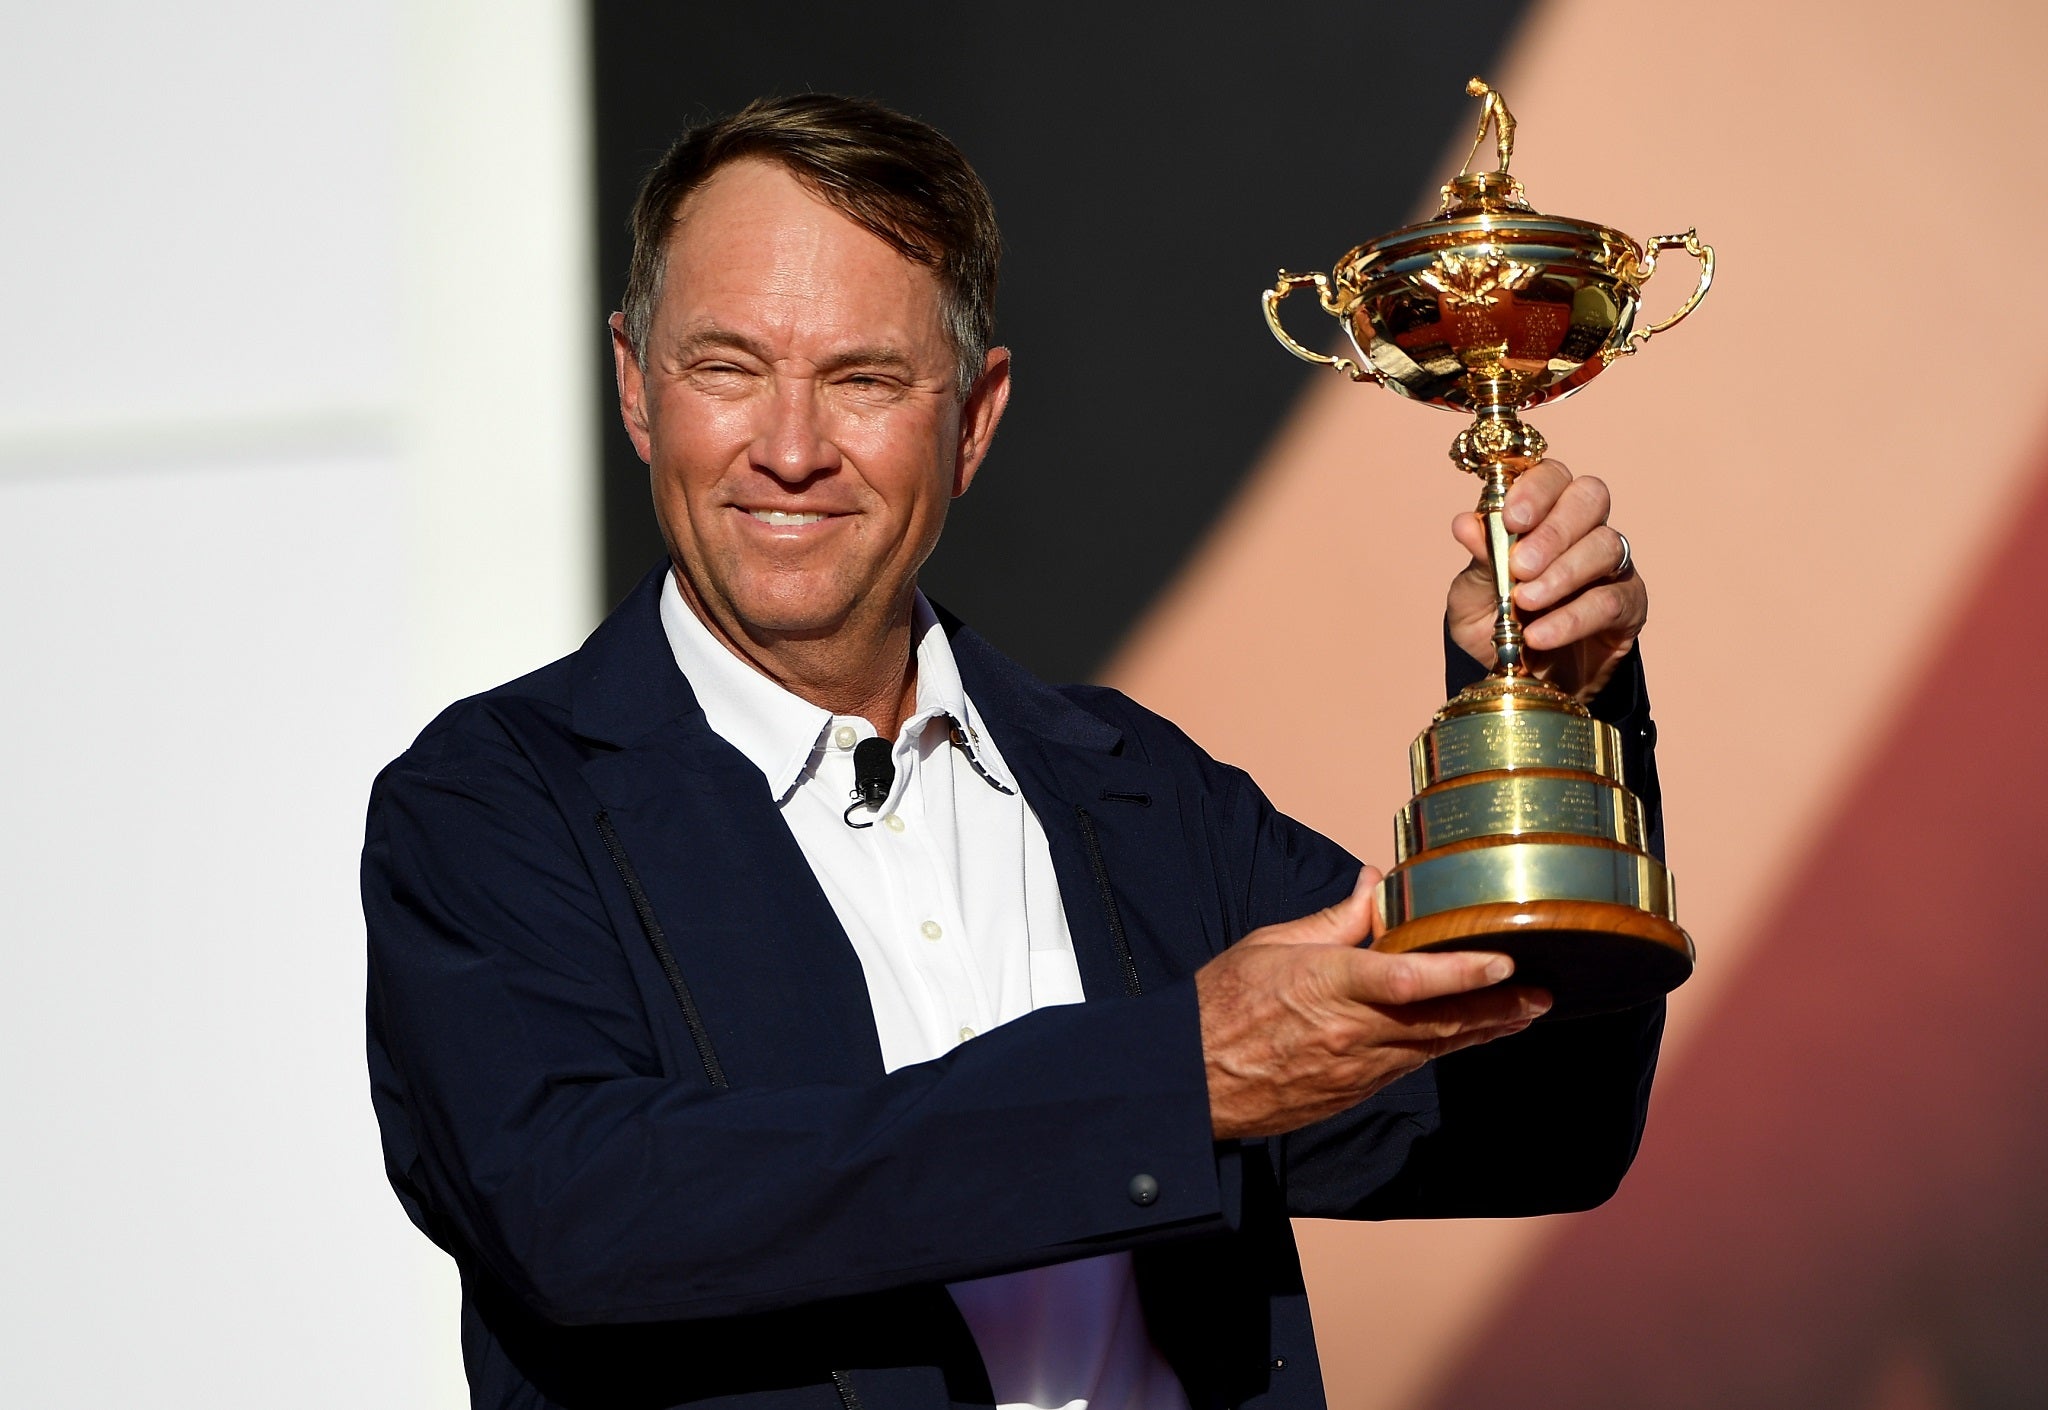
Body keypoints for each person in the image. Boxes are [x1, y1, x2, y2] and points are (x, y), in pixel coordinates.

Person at [364, 94, 1667, 1410]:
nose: (792, 446)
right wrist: (1169, 1083)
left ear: (975, 417)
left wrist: (1560, 715)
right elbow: (585, 1213)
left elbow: (1529, 1126)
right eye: (727, 367)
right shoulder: (490, 803)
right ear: (638, 385)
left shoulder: (1139, 791)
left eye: (863, 378)